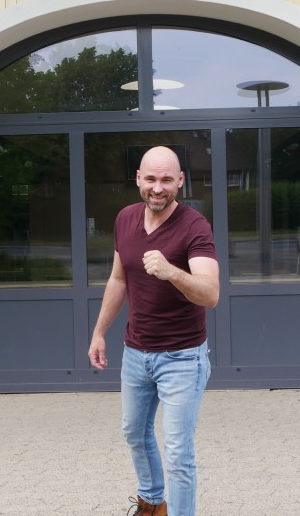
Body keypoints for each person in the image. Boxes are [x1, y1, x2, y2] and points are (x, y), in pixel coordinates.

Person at [88, 146, 220, 516]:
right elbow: (118, 279)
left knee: (178, 453)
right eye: (150, 179)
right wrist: (99, 332)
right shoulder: (125, 218)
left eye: (166, 180)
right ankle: (152, 504)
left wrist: (171, 271)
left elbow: (211, 293)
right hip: (136, 354)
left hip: (181, 357)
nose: (157, 188)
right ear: (138, 180)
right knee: (135, 432)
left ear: (180, 181)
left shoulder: (195, 226)